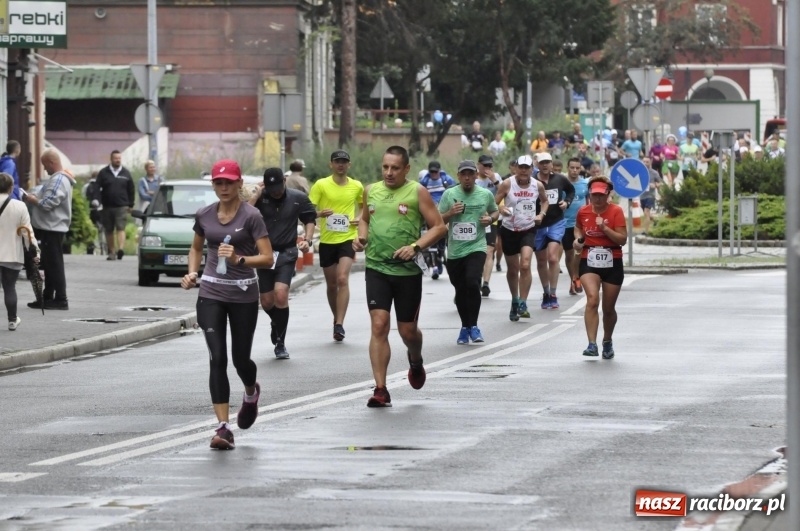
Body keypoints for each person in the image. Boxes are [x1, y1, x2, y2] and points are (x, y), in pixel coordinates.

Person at [180, 159, 274, 450]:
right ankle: (222, 428)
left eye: (228, 183)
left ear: (238, 184)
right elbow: (196, 247)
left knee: (240, 359)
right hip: (210, 294)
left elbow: (267, 258)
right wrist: (192, 272)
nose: (223, 188)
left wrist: (238, 260)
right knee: (217, 358)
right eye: (218, 183)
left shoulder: (252, 216)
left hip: (243, 295)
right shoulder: (204, 215)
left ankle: (250, 392)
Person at [352, 145, 446, 407]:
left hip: (407, 272)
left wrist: (415, 246)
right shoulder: (371, 190)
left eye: (395, 168)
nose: (389, 173)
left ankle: (415, 359)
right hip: (377, 268)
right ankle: (380, 389)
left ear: (406, 169)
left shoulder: (417, 192)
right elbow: (365, 219)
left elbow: (438, 227)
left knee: (408, 332)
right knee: (379, 325)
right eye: (385, 167)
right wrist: (361, 238)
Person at [249, 167, 316, 360]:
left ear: (285, 181)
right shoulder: (261, 198)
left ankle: (280, 342)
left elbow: (309, 219)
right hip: (264, 254)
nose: (275, 191)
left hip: (287, 252)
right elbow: (244, 215)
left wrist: (308, 239)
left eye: (278, 187)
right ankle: (277, 323)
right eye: (271, 188)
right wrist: (255, 195)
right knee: (267, 301)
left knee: (281, 294)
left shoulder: (297, 198)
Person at [438, 160, 499, 343]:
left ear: (475, 176)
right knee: (460, 288)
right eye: (463, 174)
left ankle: (474, 326)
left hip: (476, 246)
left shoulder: (485, 194)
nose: (467, 178)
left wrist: (489, 219)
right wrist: (450, 213)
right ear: (458, 176)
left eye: (470, 174)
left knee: (472, 282)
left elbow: (495, 212)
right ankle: (465, 327)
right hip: (455, 250)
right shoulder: (449, 195)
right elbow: (437, 219)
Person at [308, 150, 364, 341]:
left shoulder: (357, 186)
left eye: (344, 162)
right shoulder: (321, 185)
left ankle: (340, 323)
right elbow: (307, 212)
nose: (341, 164)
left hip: (347, 238)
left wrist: (359, 218)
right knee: (332, 285)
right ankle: (336, 319)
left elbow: (364, 209)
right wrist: (320, 214)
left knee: (342, 279)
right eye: (337, 161)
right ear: (331, 164)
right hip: (327, 240)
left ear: (349, 165)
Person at [573, 176, 627, 359]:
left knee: (609, 308)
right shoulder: (583, 211)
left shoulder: (616, 211)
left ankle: (607, 340)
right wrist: (578, 241)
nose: (597, 199)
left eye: (601, 195)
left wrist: (604, 229)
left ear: (607, 194)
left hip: (613, 259)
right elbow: (578, 228)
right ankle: (591, 344)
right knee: (592, 300)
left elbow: (623, 239)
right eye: (594, 195)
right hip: (589, 258)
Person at [495, 155, 548, 321]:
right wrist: (501, 207)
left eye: (527, 167)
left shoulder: (537, 185)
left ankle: (523, 302)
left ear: (532, 169)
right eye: (521, 167)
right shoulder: (507, 184)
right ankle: (515, 300)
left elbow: (545, 201)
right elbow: (493, 202)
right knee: (513, 269)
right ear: (516, 168)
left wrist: (541, 214)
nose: (524, 171)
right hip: (509, 229)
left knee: (525, 264)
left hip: (528, 229)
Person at [23, 149, 72, 310]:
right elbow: (45, 195)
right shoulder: (57, 179)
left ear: (52, 163)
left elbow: (48, 203)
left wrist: (32, 200)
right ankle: (47, 296)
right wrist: (35, 195)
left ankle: (61, 299)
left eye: (45, 165)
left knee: (55, 264)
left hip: (53, 227)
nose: (45, 169)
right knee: (50, 263)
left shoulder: (58, 179)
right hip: (51, 227)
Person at [533, 152, 575, 311]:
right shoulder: (532, 181)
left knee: (552, 257)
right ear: (537, 164)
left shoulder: (560, 179)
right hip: (538, 225)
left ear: (551, 164)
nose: (545, 165)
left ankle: (553, 293)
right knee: (542, 261)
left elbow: (571, 191)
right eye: (542, 162)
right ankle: (546, 293)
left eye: (547, 162)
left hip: (556, 222)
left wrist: (567, 202)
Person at [0, 172, 37, 330]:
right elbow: (27, 232)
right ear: (11, 188)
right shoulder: (20, 206)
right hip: (12, 254)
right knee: (9, 287)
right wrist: (35, 251)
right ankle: (12, 320)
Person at [94, 150, 135, 260]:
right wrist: (96, 200)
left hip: (122, 205)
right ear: (111, 159)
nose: (118, 160)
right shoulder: (103, 173)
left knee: (121, 227)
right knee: (109, 229)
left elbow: (131, 189)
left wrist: (131, 204)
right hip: (107, 206)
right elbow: (97, 187)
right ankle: (112, 251)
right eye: (116, 158)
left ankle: (120, 249)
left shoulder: (126, 173)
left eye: (119, 158)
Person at [419, 160, 455, 279]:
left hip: (445, 213)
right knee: (433, 239)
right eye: (432, 172)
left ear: (439, 171)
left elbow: (455, 192)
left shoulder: (446, 179)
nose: (434, 174)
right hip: (431, 213)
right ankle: (434, 266)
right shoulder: (425, 181)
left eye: (436, 172)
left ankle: (441, 257)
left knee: (442, 240)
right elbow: (418, 196)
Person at [476, 155, 503, 296]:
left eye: (489, 166)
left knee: (489, 251)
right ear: (478, 165)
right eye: (484, 166)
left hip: (491, 218)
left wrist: (495, 180)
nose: (487, 169)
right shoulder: (473, 178)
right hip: (475, 220)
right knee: (476, 252)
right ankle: (477, 279)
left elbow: (505, 192)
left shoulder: (496, 177)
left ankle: (486, 283)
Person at [562, 158, 588, 295]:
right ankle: (573, 278)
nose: (574, 170)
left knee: (581, 253)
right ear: (568, 167)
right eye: (572, 167)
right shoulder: (562, 183)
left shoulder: (585, 183)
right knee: (569, 254)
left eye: (577, 168)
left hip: (581, 225)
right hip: (565, 224)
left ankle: (577, 277)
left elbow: (590, 202)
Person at [640, 157, 662, 235]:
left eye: (647, 162)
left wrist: (655, 185)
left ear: (650, 162)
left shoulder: (654, 173)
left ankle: (646, 231)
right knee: (647, 214)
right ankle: (656, 221)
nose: (645, 163)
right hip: (642, 196)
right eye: (644, 161)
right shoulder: (639, 172)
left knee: (646, 211)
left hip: (650, 195)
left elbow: (660, 183)